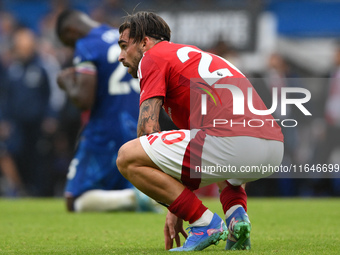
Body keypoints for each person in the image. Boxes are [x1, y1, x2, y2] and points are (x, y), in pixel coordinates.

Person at [116, 12, 284, 251]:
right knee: (222, 158)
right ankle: (237, 220)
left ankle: (204, 223)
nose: (121, 56)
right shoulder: (196, 56)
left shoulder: (152, 57)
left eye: (124, 46)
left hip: (233, 142)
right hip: (272, 146)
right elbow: (195, 155)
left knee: (127, 157)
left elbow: (147, 130)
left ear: (144, 42)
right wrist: (179, 201)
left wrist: (180, 205)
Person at [56, 10, 157, 212]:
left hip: (105, 128)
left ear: (71, 30)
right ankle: (140, 196)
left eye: (69, 43)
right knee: (127, 178)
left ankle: (133, 197)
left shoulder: (87, 44)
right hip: (137, 123)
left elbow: (84, 100)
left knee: (74, 199)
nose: (72, 48)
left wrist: (67, 84)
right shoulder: (121, 37)